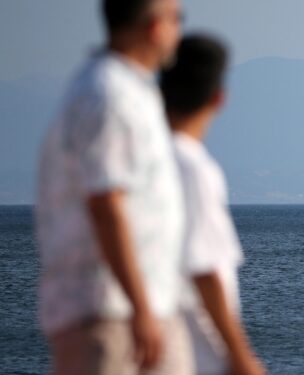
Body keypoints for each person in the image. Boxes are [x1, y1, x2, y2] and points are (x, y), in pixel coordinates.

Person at [35, 0, 191, 373]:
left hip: (130, 309)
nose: (179, 31)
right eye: (177, 19)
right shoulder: (111, 98)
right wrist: (141, 307)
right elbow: (106, 205)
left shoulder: (126, 92)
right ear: (154, 27)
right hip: (112, 313)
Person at [160, 35, 267, 375]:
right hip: (193, 354)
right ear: (219, 98)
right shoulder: (193, 167)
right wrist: (240, 355)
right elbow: (206, 270)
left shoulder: (141, 161)